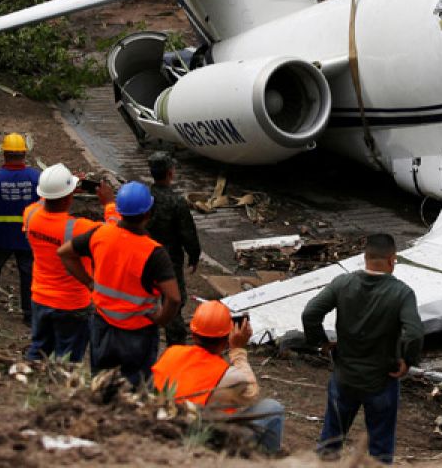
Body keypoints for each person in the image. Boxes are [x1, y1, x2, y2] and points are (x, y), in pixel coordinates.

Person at [303, 233, 423, 464]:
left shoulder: (342, 283)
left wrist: (321, 343)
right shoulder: (401, 293)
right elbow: (414, 333)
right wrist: (407, 360)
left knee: (330, 442)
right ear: (392, 260)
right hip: (381, 380)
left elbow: (310, 313)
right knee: (380, 450)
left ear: (364, 257)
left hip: (344, 377)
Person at [57, 182, 182, 386]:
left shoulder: (100, 234)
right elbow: (174, 298)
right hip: (138, 331)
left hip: (102, 323)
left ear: (121, 213)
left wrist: (89, 282)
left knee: (101, 382)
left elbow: (64, 253)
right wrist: (161, 319)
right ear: (148, 213)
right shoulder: (154, 252)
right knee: (135, 387)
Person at [152, 301, 285, 453]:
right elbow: (252, 393)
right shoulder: (229, 376)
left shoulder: (171, 353)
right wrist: (238, 351)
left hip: (162, 429)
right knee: (273, 408)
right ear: (226, 340)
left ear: (193, 333)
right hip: (203, 442)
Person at [22, 164, 97, 361]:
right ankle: (60, 390)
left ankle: (30, 383)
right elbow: (115, 233)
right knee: (69, 357)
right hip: (72, 304)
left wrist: (60, 186)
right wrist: (109, 204)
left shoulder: (30, 215)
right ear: (68, 197)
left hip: (40, 297)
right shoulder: (79, 228)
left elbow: (43, 201)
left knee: (38, 349)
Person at [0, 133, 39, 323]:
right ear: (24, 154)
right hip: (26, 234)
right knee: (28, 273)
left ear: (4, 154)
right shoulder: (36, 177)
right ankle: (29, 313)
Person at [145, 151, 201, 345]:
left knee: (147, 296)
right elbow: (188, 233)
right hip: (170, 259)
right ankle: (175, 343)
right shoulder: (177, 202)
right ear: (170, 173)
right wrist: (194, 256)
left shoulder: (145, 197)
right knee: (174, 300)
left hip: (145, 255)